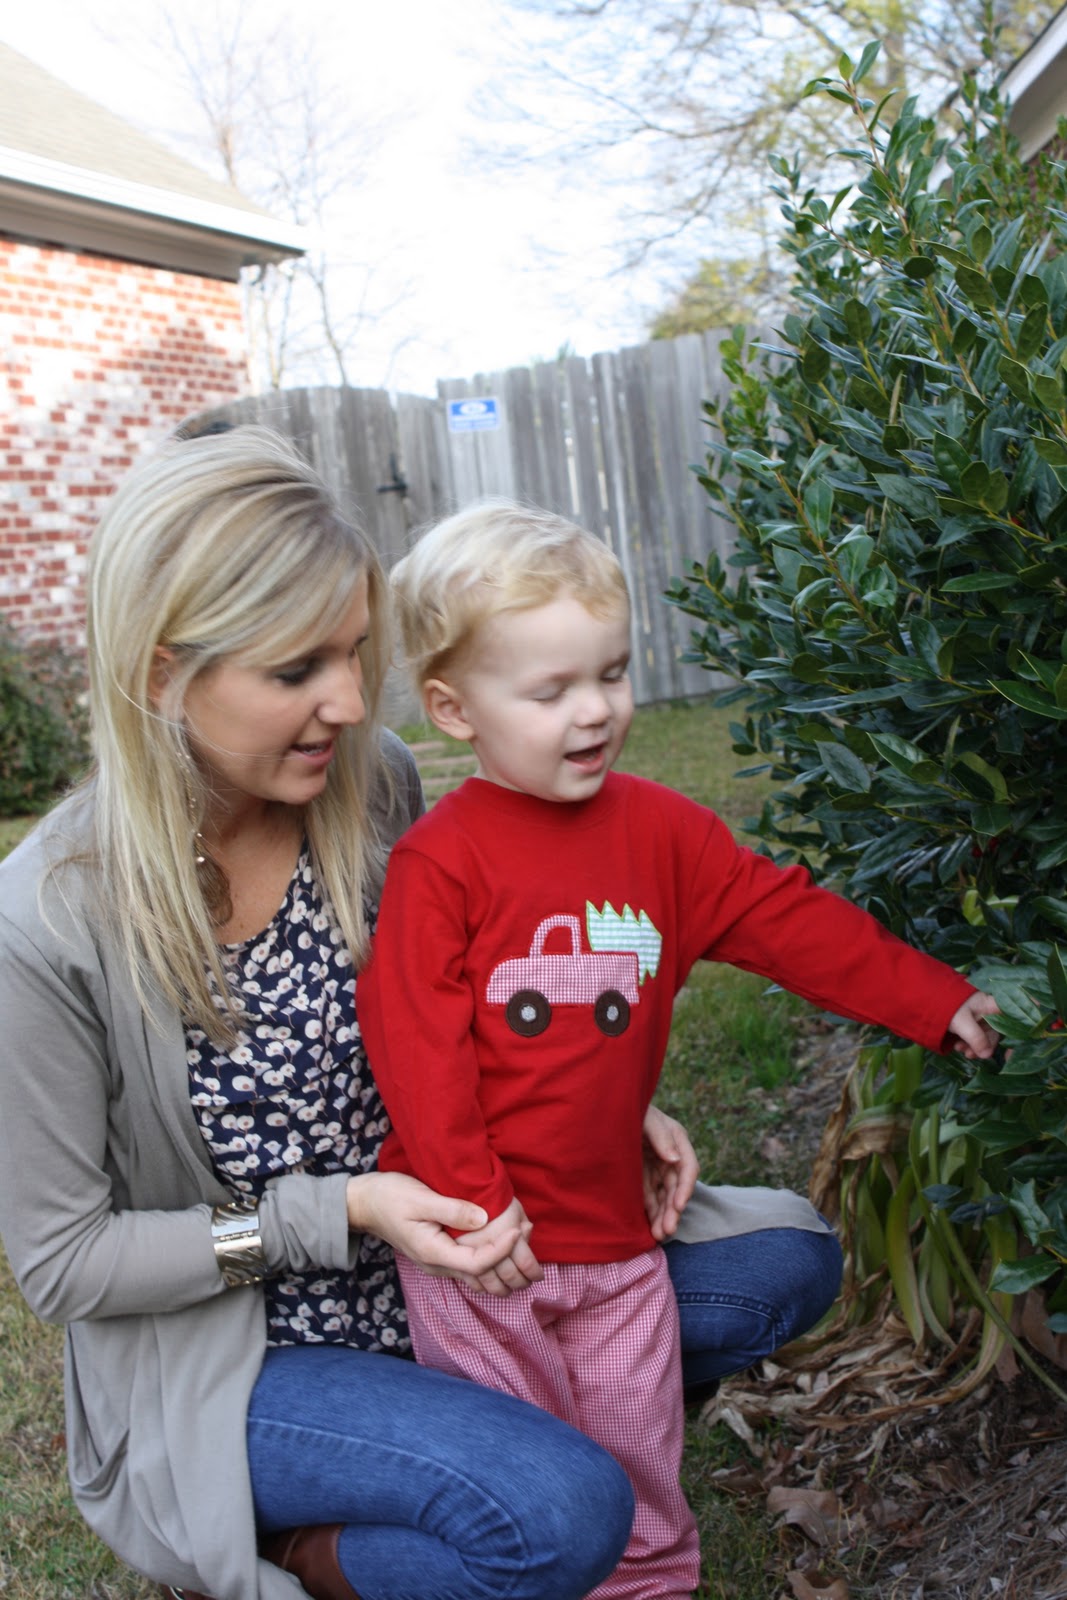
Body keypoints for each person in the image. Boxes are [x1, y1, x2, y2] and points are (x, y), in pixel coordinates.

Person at [0, 430, 640, 1600]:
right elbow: (66, 1263)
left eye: (352, 650)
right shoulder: (44, 920)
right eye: (297, 669)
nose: (348, 700)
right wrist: (335, 1212)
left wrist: (592, 1095)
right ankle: (300, 1551)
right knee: (564, 1512)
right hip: (240, 1354)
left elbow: (458, 1004)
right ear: (161, 673)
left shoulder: (372, 782)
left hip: (444, 1268)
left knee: (773, 1263)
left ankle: (471, 1446)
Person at [358, 498, 1001, 1600]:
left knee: (637, 1452)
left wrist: (932, 1001)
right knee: (531, 1475)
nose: (593, 710)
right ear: (453, 708)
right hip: (479, 1254)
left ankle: (651, 1583)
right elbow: (416, 1047)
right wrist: (474, 1202)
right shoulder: (441, 863)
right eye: (550, 691)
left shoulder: (661, 832)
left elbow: (786, 920)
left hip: (616, 1241)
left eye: (610, 673)